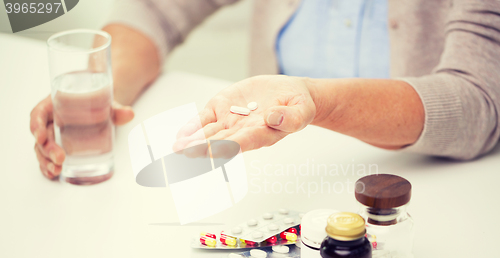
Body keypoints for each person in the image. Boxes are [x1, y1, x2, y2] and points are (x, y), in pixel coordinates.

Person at [30, 0, 500, 179]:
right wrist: (101, 86)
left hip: (425, 181)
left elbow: (478, 102)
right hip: (274, 167)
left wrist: (317, 102)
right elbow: (155, 9)